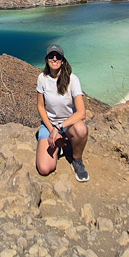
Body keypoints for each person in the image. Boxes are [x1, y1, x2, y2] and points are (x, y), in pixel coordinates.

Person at [36, 44, 89, 182]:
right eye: (51, 56)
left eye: (58, 56)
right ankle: (59, 146)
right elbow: (41, 107)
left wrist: (59, 128)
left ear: (63, 60)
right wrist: (52, 129)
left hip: (68, 124)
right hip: (50, 125)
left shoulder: (73, 80)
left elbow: (82, 113)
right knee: (44, 168)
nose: (54, 59)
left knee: (81, 129)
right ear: (47, 59)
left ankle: (76, 160)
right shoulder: (42, 79)